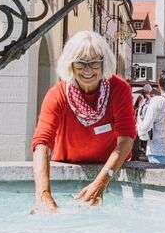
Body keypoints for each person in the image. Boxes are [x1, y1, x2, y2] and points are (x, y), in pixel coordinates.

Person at [31, 31, 136, 212]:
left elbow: (126, 139)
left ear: (104, 63)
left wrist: (101, 182)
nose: (87, 70)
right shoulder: (57, 94)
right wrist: (43, 194)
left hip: (111, 173)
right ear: (70, 64)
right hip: (67, 169)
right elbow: (42, 143)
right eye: (80, 63)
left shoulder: (119, 89)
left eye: (94, 63)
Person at [137, 74, 165, 164]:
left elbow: (145, 126)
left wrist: (140, 131)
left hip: (158, 149)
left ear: (159, 86)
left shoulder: (157, 101)